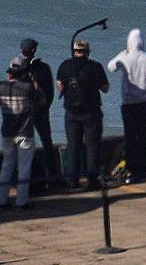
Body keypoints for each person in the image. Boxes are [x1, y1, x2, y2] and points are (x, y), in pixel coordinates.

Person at [56, 38, 110, 190]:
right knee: (92, 146)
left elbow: (59, 86)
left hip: (71, 113)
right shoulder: (95, 66)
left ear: (74, 51)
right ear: (88, 52)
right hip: (91, 112)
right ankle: (92, 180)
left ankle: (72, 181)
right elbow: (105, 88)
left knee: (73, 146)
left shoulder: (65, 65)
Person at [0, 60, 46, 208]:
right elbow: (42, 99)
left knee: (6, 166)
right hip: (24, 132)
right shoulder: (27, 88)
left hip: (7, 131)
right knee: (24, 168)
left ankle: (0, 199)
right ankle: (21, 201)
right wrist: (34, 81)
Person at [107, 28, 146, 183]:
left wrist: (122, 54)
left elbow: (111, 67)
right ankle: (145, 169)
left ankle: (132, 170)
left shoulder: (125, 58)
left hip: (128, 105)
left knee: (130, 138)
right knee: (144, 137)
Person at [14, 39, 57, 188]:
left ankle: (29, 181)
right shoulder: (44, 68)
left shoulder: (16, 66)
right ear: (34, 50)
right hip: (41, 111)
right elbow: (50, 93)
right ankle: (54, 178)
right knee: (47, 143)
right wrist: (45, 108)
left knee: (25, 146)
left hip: (25, 113)